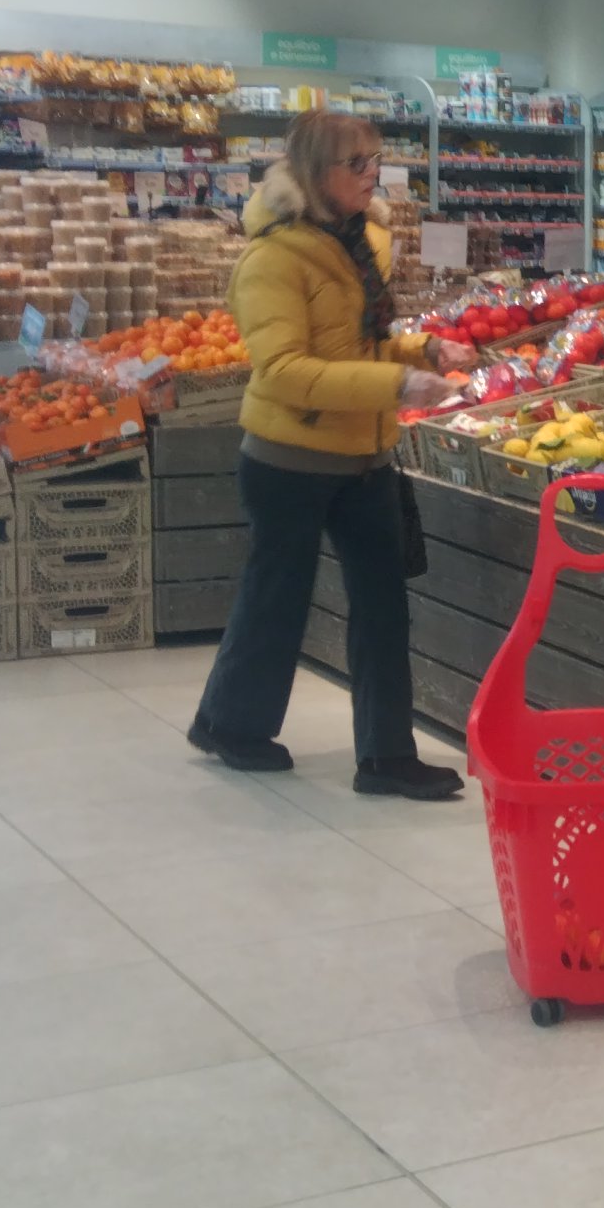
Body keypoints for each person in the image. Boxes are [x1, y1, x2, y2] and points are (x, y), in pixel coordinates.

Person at [190, 111, 473, 796]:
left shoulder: (362, 241)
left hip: (365, 455)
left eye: (376, 159)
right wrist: (395, 385)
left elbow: (358, 344)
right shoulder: (272, 258)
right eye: (357, 163)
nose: (374, 174)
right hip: (287, 459)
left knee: (384, 605)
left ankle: (386, 756)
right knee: (277, 599)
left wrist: (422, 350)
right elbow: (285, 370)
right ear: (317, 173)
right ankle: (232, 725)